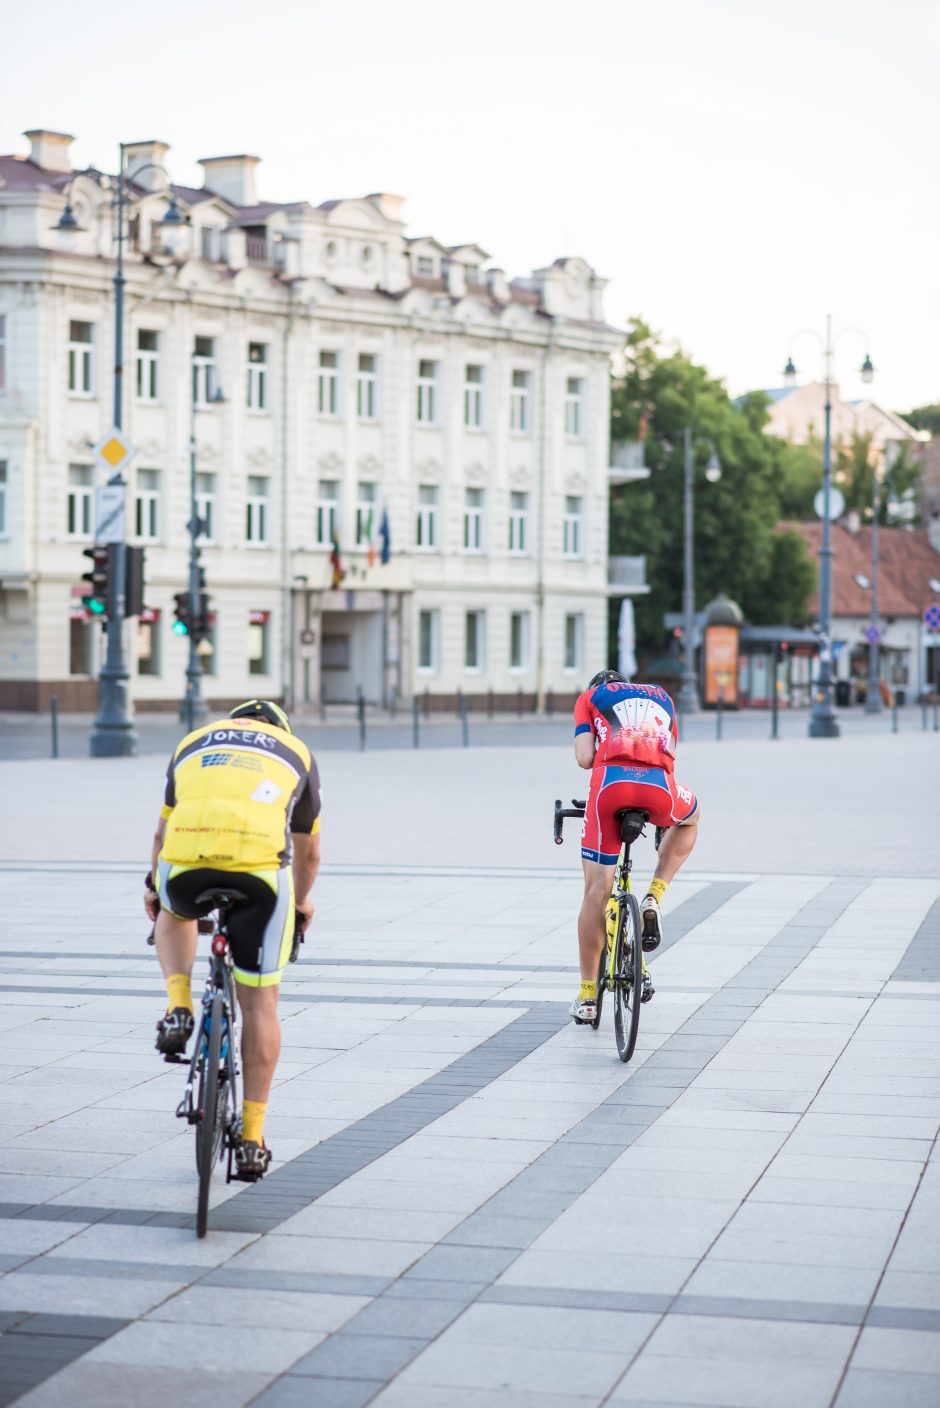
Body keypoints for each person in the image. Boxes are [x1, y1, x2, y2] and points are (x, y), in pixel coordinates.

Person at [143, 699, 320, 1181]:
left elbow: (162, 835)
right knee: (261, 1006)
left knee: (174, 908)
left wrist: (152, 888)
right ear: (279, 728)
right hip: (260, 876)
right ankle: (250, 1139)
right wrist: (302, 903)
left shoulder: (191, 744)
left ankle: (178, 1006)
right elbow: (308, 855)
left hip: (187, 860)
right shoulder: (296, 752)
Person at [570, 670, 699, 1024]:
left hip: (611, 786)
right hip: (659, 787)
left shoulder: (589, 699)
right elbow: (668, 753)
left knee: (596, 891)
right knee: (692, 817)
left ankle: (586, 997)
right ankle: (654, 895)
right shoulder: (662, 696)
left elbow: (584, 758)